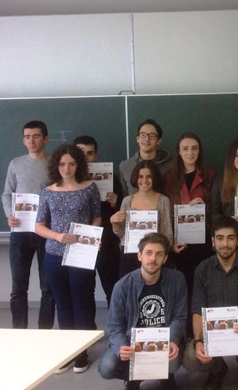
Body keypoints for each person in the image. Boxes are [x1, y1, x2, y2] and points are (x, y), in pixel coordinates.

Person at [34, 144, 102, 373]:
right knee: (62, 304)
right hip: (54, 255)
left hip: (81, 256)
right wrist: (58, 236)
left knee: (81, 304)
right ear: (56, 165)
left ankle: (81, 354)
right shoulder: (48, 191)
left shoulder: (90, 188)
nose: (67, 168)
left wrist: (89, 238)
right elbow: (38, 226)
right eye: (62, 164)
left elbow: (97, 218)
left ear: (78, 165)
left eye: (72, 163)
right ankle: (67, 353)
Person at [183, 217, 238, 390]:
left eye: (230, 238)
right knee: (191, 359)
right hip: (212, 334)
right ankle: (217, 368)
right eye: (220, 238)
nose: (225, 244)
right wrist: (198, 340)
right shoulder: (202, 269)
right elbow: (197, 309)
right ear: (213, 241)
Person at [98, 233, 186, 390]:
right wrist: (121, 346)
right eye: (149, 253)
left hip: (163, 341)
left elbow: (179, 317)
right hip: (132, 342)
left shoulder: (177, 279)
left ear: (165, 258)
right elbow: (114, 325)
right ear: (139, 256)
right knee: (107, 367)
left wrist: (172, 340)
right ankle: (133, 377)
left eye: (159, 254)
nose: (153, 259)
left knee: (173, 363)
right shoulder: (122, 286)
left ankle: (166, 376)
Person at [1, 120, 55, 329]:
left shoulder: (55, 164)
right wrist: (9, 214)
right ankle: (19, 332)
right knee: (18, 287)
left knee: (47, 287)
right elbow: (7, 193)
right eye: (27, 137)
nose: (31, 141)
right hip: (20, 232)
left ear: (46, 138)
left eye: (36, 136)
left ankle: (44, 331)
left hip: (47, 232)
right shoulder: (15, 164)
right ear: (23, 140)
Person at [164, 132, 215, 335]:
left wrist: (206, 205)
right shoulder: (169, 178)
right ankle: (187, 334)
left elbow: (219, 206)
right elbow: (165, 210)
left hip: (204, 241)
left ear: (199, 150)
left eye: (194, 148)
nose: (190, 152)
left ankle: (205, 334)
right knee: (184, 288)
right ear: (178, 151)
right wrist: (171, 242)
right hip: (180, 243)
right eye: (185, 148)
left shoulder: (210, 175)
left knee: (204, 288)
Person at [74, 135, 124, 307]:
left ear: (96, 155)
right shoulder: (67, 177)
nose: (85, 157)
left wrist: (115, 202)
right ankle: (87, 329)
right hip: (79, 240)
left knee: (112, 286)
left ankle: (115, 328)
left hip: (106, 240)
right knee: (84, 288)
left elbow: (122, 210)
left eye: (90, 153)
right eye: (81, 153)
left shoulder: (110, 176)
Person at [112, 161, 173, 277]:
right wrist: (115, 224)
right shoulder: (127, 201)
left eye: (149, 176)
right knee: (130, 291)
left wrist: (159, 254)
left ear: (154, 178)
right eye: (140, 176)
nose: (144, 181)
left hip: (153, 257)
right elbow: (121, 234)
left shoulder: (163, 201)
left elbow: (167, 234)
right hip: (129, 255)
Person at [119, 119, 174, 196]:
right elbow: (124, 194)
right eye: (143, 135)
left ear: (159, 141)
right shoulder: (125, 166)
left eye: (152, 136)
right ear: (137, 139)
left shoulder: (170, 165)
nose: (147, 139)